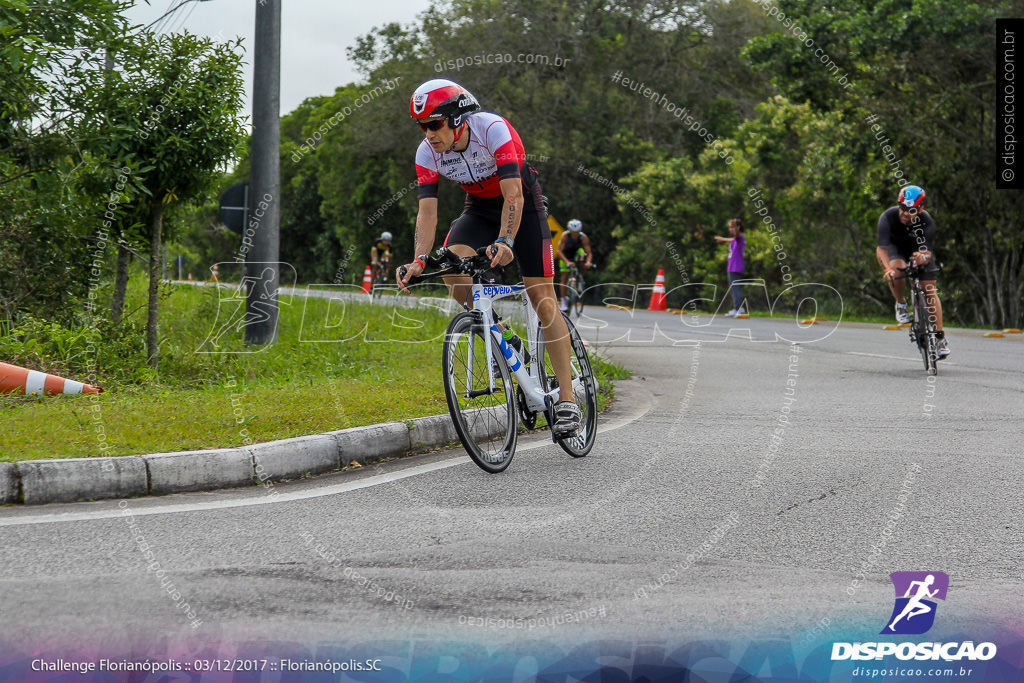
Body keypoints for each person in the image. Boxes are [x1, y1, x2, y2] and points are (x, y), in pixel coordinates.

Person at [396, 78, 581, 436]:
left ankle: (569, 400)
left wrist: (506, 239)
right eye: (421, 126)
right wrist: (419, 259)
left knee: (542, 299)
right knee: (452, 267)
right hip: (479, 210)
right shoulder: (427, 152)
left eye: (433, 124)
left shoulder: (492, 129)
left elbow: (513, 196)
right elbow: (428, 213)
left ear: (456, 118)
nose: (428, 133)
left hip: (523, 209)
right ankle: (500, 333)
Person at [875, 185, 949, 359]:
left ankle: (939, 338)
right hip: (896, 250)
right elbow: (881, 249)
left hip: (918, 251)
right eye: (903, 208)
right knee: (896, 268)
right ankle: (900, 303)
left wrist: (923, 257)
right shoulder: (887, 217)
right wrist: (887, 269)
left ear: (920, 209)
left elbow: (927, 251)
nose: (905, 213)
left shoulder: (926, 220)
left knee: (929, 288)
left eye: (911, 210)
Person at [556, 219, 593, 312]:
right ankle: (564, 301)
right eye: (573, 232)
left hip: (576, 254)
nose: (575, 235)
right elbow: (559, 251)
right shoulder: (565, 236)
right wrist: (567, 262)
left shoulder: (583, 237)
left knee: (582, 257)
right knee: (564, 278)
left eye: (576, 232)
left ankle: (579, 279)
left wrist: (588, 262)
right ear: (569, 230)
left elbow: (589, 252)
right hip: (565, 256)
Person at [714, 218, 746, 317]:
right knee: (733, 288)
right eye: (730, 227)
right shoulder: (736, 239)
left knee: (735, 288)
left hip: (735, 267)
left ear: (738, 228)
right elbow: (731, 239)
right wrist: (722, 239)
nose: (730, 229)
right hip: (732, 266)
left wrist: (735, 227)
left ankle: (738, 308)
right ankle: (738, 308)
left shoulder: (739, 237)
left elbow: (736, 235)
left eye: (732, 227)